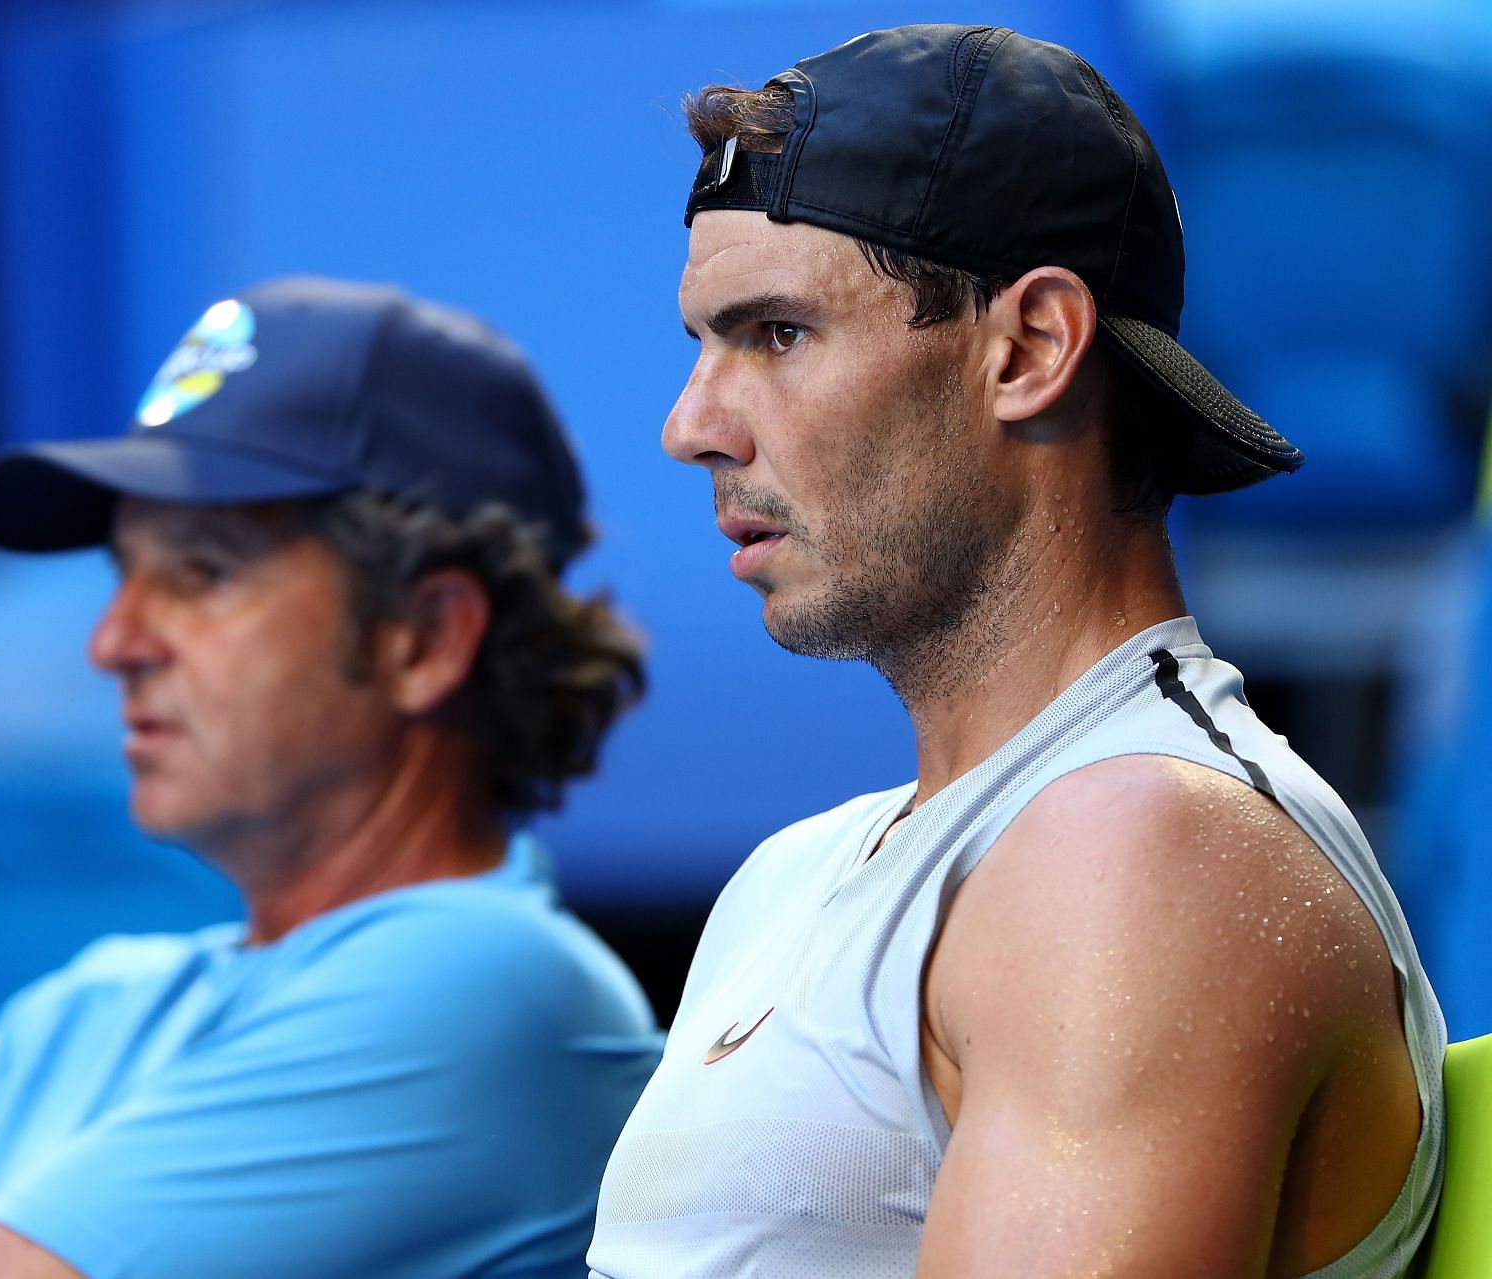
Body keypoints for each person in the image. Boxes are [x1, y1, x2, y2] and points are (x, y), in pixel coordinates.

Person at [588, 25, 1444, 1279]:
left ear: (1033, 346)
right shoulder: (796, 873)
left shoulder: (1148, 848)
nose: (691, 426)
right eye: (701, 345)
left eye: (774, 334)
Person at [0, 276, 661, 1279]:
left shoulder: (491, 984)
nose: (112, 642)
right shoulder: (93, 1001)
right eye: (121, 574)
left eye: (202, 572)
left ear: (424, 638)